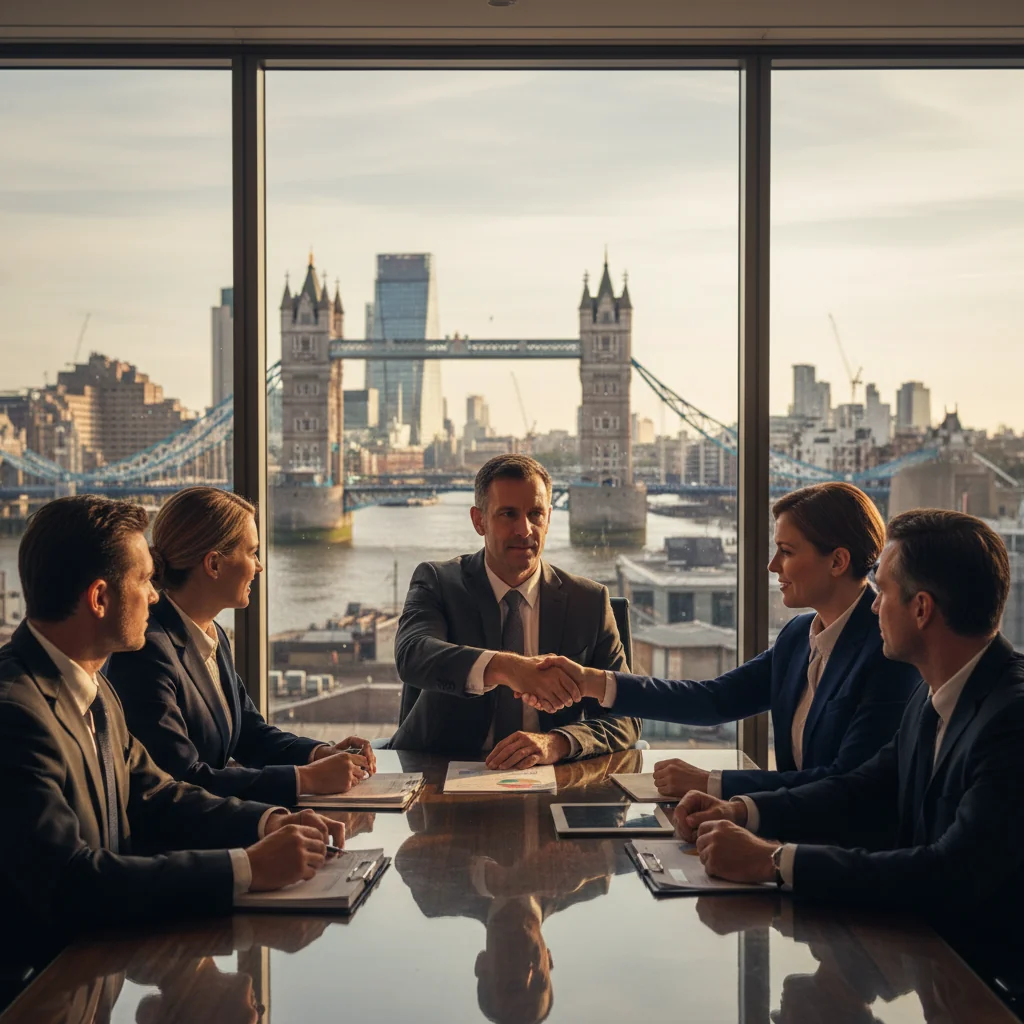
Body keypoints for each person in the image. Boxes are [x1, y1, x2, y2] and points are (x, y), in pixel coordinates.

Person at [671, 509, 1024, 979]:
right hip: (923, 960)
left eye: (883, 593)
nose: (874, 607)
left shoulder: (1011, 719)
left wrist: (774, 860)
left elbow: (951, 874)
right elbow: (862, 787)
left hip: (988, 988)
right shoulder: (934, 691)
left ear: (922, 609)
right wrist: (741, 810)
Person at [0, 496, 343, 971]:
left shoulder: (92, 688)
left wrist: (269, 824)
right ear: (100, 598)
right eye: (143, 580)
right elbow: (70, 882)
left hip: (106, 961)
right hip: (43, 990)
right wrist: (247, 868)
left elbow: (157, 795)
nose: (156, 595)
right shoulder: (14, 715)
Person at [533, 483, 919, 798]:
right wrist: (591, 681)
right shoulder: (798, 637)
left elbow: (845, 786)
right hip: (788, 834)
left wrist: (712, 784)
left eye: (786, 551)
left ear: (837, 562)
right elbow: (713, 699)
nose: (772, 566)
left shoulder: (889, 652)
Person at [106, 487, 374, 807]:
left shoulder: (211, 632)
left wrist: (320, 753)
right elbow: (181, 781)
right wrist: (307, 779)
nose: (260, 567)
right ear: (214, 564)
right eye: (252, 552)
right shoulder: (146, 653)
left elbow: (249, 733)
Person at [391, 454, 640, 767]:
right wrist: (509, 669)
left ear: (549, 518)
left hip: (551, 781)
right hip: (439, 772)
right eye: (508, 514)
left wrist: (559, 742)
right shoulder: (439, 582)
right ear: (478, 520)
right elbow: (413, 654)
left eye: (535, 514)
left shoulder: (588, 601)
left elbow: (627, 718)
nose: (524, 530)